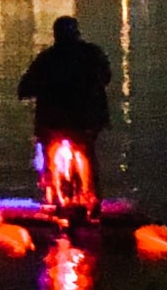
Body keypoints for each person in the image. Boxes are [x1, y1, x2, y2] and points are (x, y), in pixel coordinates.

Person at [17, 16, 111, 204]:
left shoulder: (46, 58)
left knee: (49, 151)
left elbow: (24, 87)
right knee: (87, 152)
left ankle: (53, 195)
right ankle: (93, 197)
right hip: (85, 122)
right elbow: (106, 77)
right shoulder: (91, 53)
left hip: (53, 123)